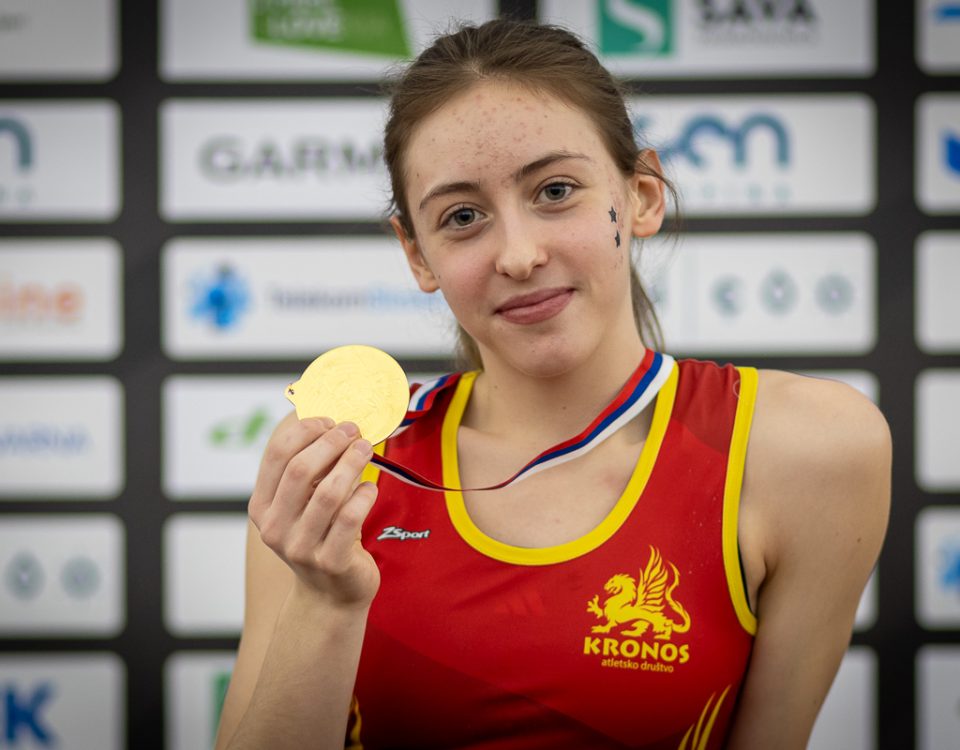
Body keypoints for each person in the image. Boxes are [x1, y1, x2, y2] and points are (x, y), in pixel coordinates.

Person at [214, 18, 890, 750]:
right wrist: (325, 604)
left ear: (642, 196)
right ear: (417, 254)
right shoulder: (339, 468)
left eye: (556, 190)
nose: (519, 254)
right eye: (462, 216)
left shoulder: (804, 449)